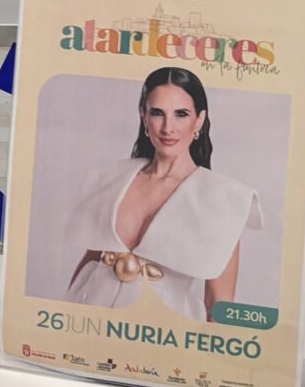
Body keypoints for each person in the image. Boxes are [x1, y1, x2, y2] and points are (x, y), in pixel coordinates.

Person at [64, 66, 259, 324]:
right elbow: (89, 263)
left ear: (199, 120)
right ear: (143, 116)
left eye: (181, 114)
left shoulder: (223, 200)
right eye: (157, 113)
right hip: (88, 324)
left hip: (162, 333)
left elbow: (219, 304)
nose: (168, 127)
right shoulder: (111, 179)